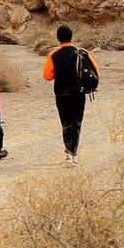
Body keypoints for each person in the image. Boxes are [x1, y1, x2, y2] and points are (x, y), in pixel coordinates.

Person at [41, 23, 99, 164]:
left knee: (65, 122)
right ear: (71, 37)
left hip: (61, 94)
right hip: (78, 93)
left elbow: (47, 76)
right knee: (76, 122)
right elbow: (95, 69)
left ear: (58, 38)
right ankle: (71, 154)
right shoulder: (82, 52)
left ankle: (69, 150)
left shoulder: (53, 54)